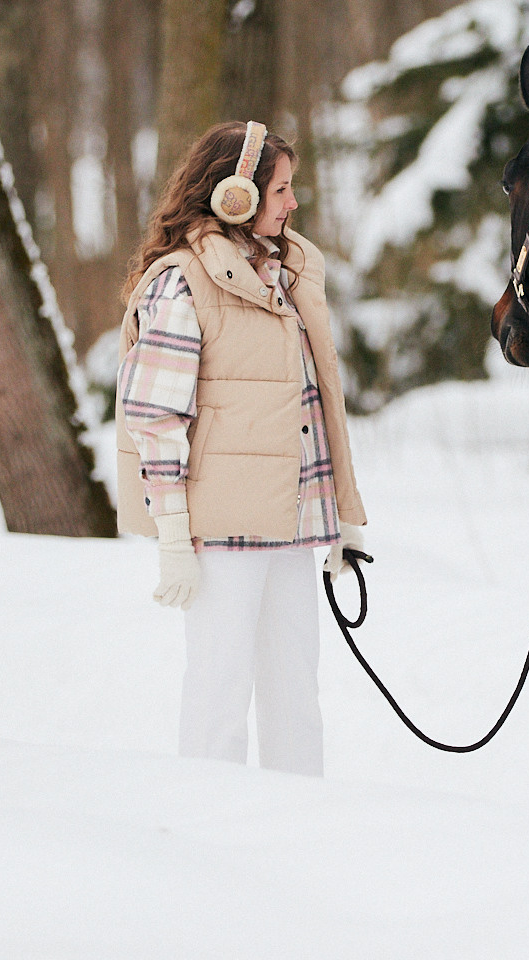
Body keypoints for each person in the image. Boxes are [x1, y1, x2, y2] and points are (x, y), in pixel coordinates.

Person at [113, 120, 368, 776]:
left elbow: (314, 406)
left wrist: (339, 518)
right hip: (219, 538)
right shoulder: (184, 283)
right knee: (218, 700)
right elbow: (154, 417)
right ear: (236, 195)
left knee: (296, 701)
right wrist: (172, 534)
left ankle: (297, 833)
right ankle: (208, 843)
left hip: (289, 529)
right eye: (281, 188)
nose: (292, 202)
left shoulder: (291, 276)